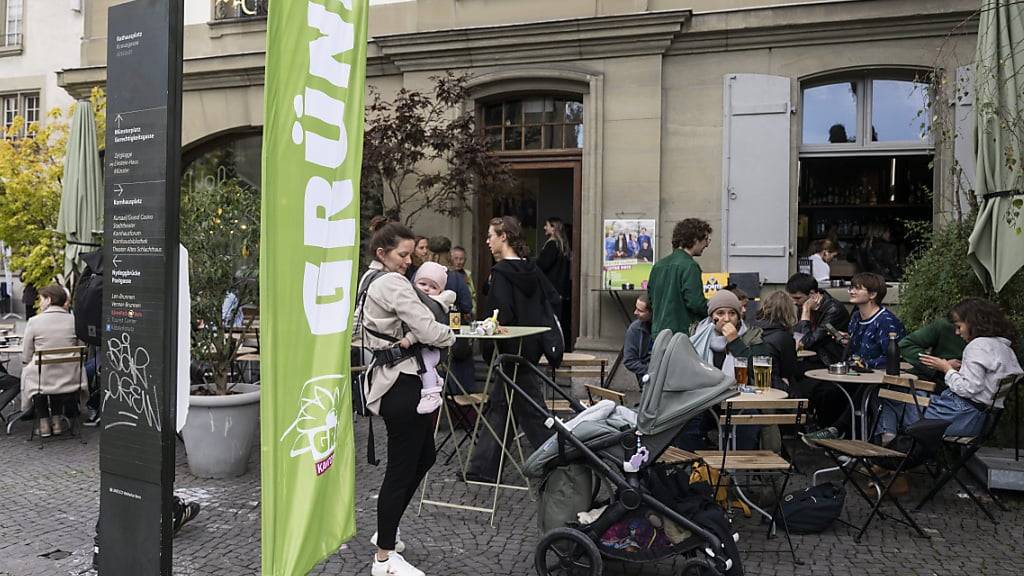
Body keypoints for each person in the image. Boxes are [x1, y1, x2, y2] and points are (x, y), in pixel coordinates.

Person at [357, 221, 455, 576]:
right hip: (401, 383)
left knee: (425, 456)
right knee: (400, 471)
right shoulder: (393, 282)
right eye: (403, 255)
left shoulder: (368, 279)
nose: (408, 262)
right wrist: (452, 335)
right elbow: (430, 328)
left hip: (390, 381)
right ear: (382, 253)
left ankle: (388, 527)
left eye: (411, 255)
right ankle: (384, 557)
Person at [467, 216, 561, 483]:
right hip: (530, 346)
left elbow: (501, 315)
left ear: (504, 237)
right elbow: (553, 299)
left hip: (510, 349)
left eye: (490, 235)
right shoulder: (531, 269)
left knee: (531, 411)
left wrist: (488, 340)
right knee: (500, 407)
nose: (487, 241)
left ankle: (560, 461)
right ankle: (482, 469)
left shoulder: (501, 273)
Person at [878, 299, 1022, 442]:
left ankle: (889, 449)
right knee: (910, 393)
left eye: (959, 327)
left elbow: (969, 388)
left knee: (888, 396)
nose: (957, 332)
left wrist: (946, 368)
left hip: (956, 417)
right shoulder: (1004, 347)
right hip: (979, 417)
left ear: (973, 323)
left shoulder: (977, 346)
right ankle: (898, 450)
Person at [803, 272, 906, 443]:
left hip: (877, 378)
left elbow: (895, 357)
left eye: (857, 289)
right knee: (823, 390)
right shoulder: (857, 316)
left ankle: (837, 432)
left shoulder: (886, 321)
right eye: (851, 287)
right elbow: (860, 345)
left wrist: (865, 362)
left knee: (850, 392)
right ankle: (833, 438)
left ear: (872, 295)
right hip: (856, 373)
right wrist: (847, 340)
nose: (851, 291)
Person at [20, 284, 87, 438]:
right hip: (70, 378)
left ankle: (44, 424)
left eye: (41, 299)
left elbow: (26, 355)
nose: (40, 302)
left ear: (49, 299)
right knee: (55, 374)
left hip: (43, 378)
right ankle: (56, 422)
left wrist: (28, 363)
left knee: (37, 377)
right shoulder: (74, 320)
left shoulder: (34, 321)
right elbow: (82, 348)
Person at [405, 262, 457, 414]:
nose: (427, 289)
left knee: (425, 362)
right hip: (427, 345)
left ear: (441, 291)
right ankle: (434, 379)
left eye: (433, 287)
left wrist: (409, 339)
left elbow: (421, 328)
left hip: (432, 349)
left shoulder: (434, 305)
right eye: (422, 284)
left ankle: (431, 393)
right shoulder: (417, 301)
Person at [647, 218, 712, 335]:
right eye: (706, 239)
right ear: (695, 239)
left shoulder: (658, 265)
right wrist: (714, 311)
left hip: (658, 332)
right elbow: (695, 303)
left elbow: (651, 299)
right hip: (681, 333)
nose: (707, 245)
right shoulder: (690, 266)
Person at [786, 273, 849, 366]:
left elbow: (807, 343)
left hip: (828, 361)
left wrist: (806, 311)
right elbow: (797, 337)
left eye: (797, 298)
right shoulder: (801, 305)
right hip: (809, 357)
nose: (794, 302)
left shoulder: (833, 310)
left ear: (812, 294)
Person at [536, 217, 572, 349]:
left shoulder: (552, 245)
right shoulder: (563, 245)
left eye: (547, 225)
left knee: (550, 322)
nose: (544, 228)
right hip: (560, 290)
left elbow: (541, 265)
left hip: (551, 290)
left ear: (553, 228)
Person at [899, 317, 965, 383]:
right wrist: (939, 365)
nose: (957, 332)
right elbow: (906, 345)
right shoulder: (945, 326)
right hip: (932, 381)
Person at [622, 294, 652, 386]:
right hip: (647, 378)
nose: (635, 312)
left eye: (640, 311)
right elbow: (629, 360)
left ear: (651, 312)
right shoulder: (635, 329)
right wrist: (649, 370)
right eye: (636, 308)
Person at [449, 246, 476, 315]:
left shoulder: (468, 274)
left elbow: (473, 295)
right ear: (451, 259)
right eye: (456, 258)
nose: (458, 262)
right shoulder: (447, 274)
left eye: (461, 259)